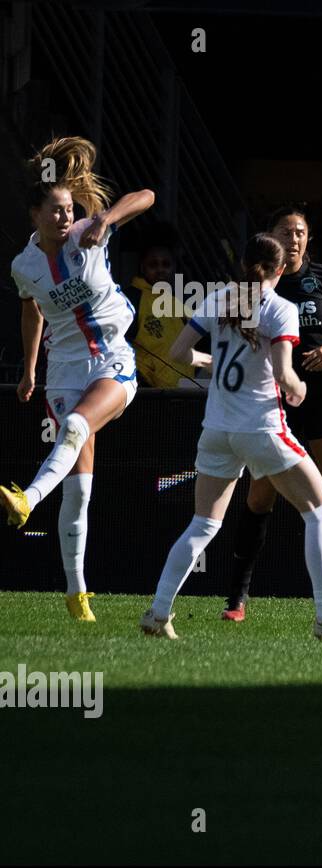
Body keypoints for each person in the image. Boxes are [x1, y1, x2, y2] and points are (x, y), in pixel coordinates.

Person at [139, 233, 322, 641]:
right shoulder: (280, 308)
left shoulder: (222, 298)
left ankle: (158, 612)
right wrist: (298, 390)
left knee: (202, 523)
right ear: (280, 270)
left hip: (216, 429)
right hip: (260, 428)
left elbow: (178, 353)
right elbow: (285, 376)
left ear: (244, 262)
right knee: (320, 511)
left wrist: (210, 361)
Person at [3, 136, 154, 622]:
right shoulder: (24, 266)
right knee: (80, 489)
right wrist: (29, 370)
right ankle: (77, 596)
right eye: (55, 210)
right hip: (64, 370)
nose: (65, 218)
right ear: (35, 216)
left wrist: (106, 218)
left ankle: (26, 498)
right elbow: (31, 313)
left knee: (74, 429)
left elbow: (146, 195)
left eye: (70, 209)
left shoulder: (92, 231)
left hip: (112, 358)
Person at [221, 207, 322, 625]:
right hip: (272, 403)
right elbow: (230, 340)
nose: (294, 239)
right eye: (286, 232)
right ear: (269, 237)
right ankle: (236, 599)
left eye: (301, 232)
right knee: (259, 497)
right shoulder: (250, 290)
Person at [125, 231, 200, 388]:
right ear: (142, 268)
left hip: (185, 393)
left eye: (166, 264)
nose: (160, 270)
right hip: (147, 396)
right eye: (153, 264)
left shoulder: (181, 302)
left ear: (173, 268)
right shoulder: (131, 298)